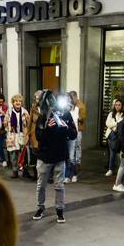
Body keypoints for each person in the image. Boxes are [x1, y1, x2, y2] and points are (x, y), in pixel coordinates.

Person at [33, 91, 76, 223]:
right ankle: (40, 208)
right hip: (44, 156)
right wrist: (47, 128)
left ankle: (59, 210)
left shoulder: (66, 114)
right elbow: (39, 136)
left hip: (59, 156)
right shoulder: (43, 116)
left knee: (59, 186)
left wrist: (65, 127)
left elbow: (73, 134)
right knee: (41, 185)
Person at [5, 94, 30, 179]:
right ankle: (15, 171)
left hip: (22, 135)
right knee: (13, 154)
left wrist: (27, 120)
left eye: (19, 101)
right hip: (13, 135)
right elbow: (5, 123)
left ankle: (24, 171)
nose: (18, 102)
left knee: (22, 154)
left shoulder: (25, 111)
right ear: (13, 103)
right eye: (16, 101)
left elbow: (29, 123)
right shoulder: (9, 111)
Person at [64, 91, 85, 183]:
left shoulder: (76, 109)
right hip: (64, 135)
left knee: (72, 157)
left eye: (68, 98)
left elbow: (78, 122)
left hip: (72, 135)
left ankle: (74, 174)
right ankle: (67, 175)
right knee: (65, 157)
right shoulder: (62, 110)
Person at [104, 99, 124, 177]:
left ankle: (117, 168)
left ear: (121, 106)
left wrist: (114, 124)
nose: (117, 106)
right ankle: (111, 169)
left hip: (119, 135)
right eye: (116, 105)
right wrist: (115, 124)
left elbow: (121, 124)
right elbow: (107, 123)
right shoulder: (111, 114)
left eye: (119, 105)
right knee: (111, 152)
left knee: (117, 152)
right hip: (111, 135)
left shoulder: (123, 114)